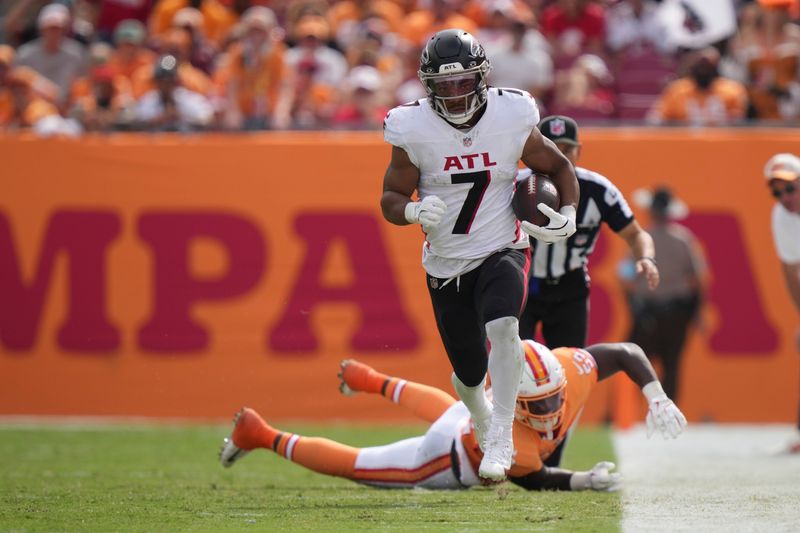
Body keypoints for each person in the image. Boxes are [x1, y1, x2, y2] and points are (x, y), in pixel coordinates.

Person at [379, 29, 580, 481]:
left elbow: (558, 165)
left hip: (502, 247)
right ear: (428, 85)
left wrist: (567, 211)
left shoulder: (511, 113)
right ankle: (483, 417)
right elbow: (390, 194)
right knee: (468, 373)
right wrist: (411, 209)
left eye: (463, 81)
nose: (454, 93)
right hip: (447, 262)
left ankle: (502, 434)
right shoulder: (412, 126)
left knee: (505, 326)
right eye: (444, 85)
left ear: (481, 78)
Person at [219, 340, 687, 490]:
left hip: (466, 418)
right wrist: (583, 480)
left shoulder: (567, 369)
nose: (551, 409)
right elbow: (531, 477)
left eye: (553, 397)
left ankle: (370, 380)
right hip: (447, 456)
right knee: (359, 465)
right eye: (538, 404)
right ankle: (261, 434)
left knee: (453, 408)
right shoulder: (512, 440)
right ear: (513, 405)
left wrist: (656, 395)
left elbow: (626, 352)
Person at [620, 186, 706, 404]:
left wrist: (633, 306)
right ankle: (670, 414)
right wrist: (697, 314)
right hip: (676, 314)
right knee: (672, 364)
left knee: (631, 362)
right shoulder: (683, 240)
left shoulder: (642, 240)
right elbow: (698, 279)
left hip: (647, 313)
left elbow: (625, 277)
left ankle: (622, 414)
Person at [763, 153, 800, 454]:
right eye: (777, 191)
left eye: (790, 188)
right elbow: (790, 268)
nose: (784, 196)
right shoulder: (782, 216)